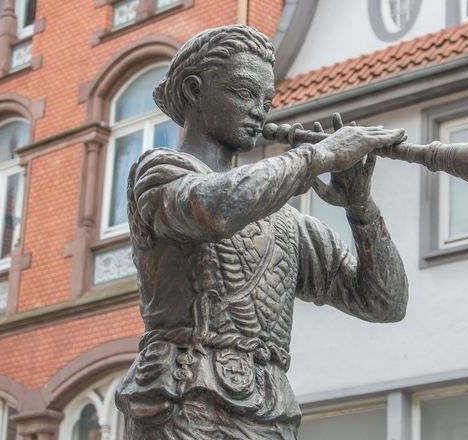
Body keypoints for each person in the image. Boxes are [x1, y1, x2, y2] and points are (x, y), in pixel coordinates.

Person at [116, 24, 409, 440]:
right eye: (243, 92)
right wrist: (319, 155)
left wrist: (361, 207)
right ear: (196, 91)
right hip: (181, 404)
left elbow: (385, 302)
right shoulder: (160, 172)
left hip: (270, 416)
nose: (260, 110)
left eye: (267, 100)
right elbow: (214, 210)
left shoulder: (285, 222)